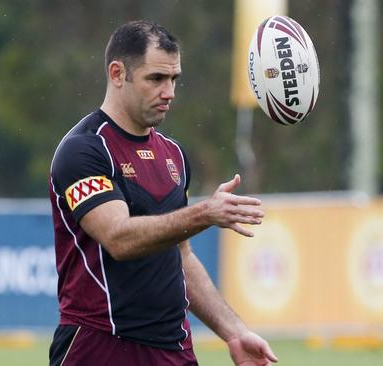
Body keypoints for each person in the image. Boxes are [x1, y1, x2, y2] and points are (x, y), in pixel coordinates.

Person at [48, 20, 278, 366]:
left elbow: (181, 257)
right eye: (156, 79)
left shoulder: (174, 155)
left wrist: (233, 331)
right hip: (99, 346)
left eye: (174, 79)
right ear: (117, 73)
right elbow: (119, 238)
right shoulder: (84, 151)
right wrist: (204, 213)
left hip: (172, 348)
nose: (169, 91)